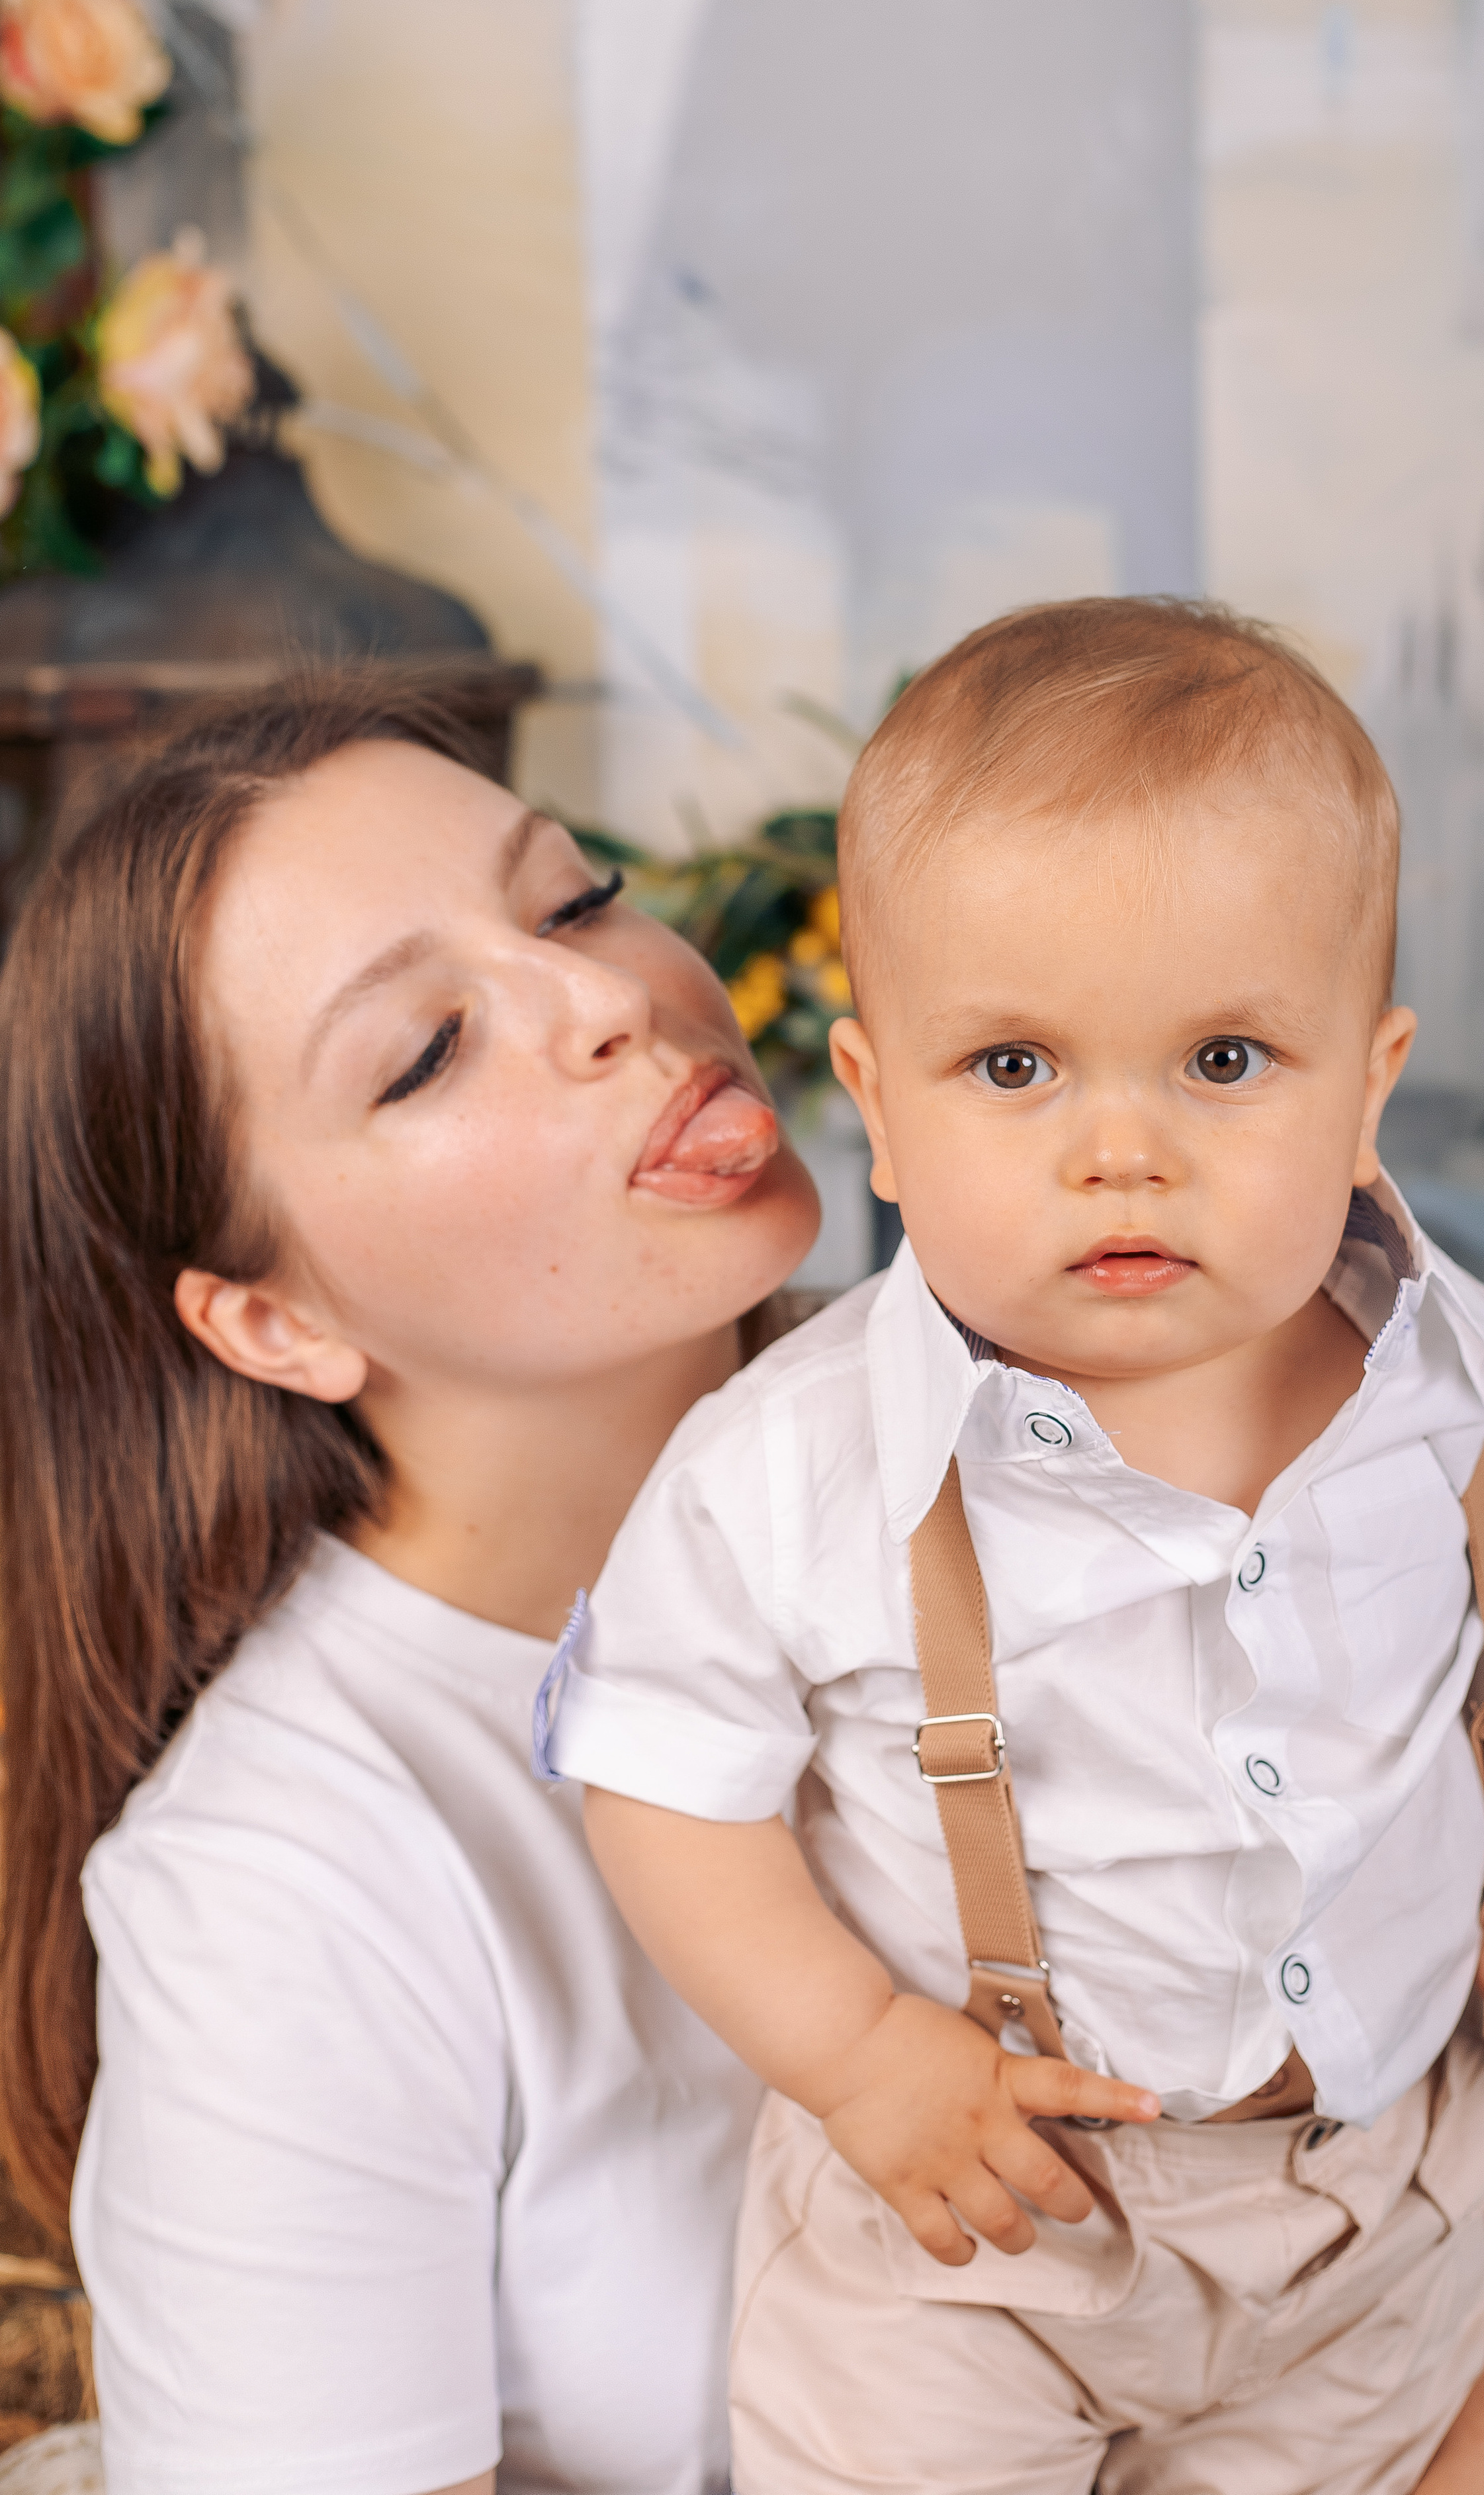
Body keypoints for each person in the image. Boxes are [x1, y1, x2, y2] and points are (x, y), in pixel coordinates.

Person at [545, 600, 1484, 2495]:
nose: (1123, 1149)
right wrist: (860, 2060)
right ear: (879, 1108)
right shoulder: (786, 1468)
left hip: (1360, 2201)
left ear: (1370, 1081)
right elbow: (663, 1789)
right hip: (975, 2239)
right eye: (1015, 1070)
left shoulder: (1463, 1371)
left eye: (1226, 1061)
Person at [0, 674, 820, 2495]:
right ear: (272, 1320)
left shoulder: (1061, 1447)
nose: (618, 1002)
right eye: (429, 1050)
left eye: (581, 895)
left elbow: (1482, 2096)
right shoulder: (287, 1895)